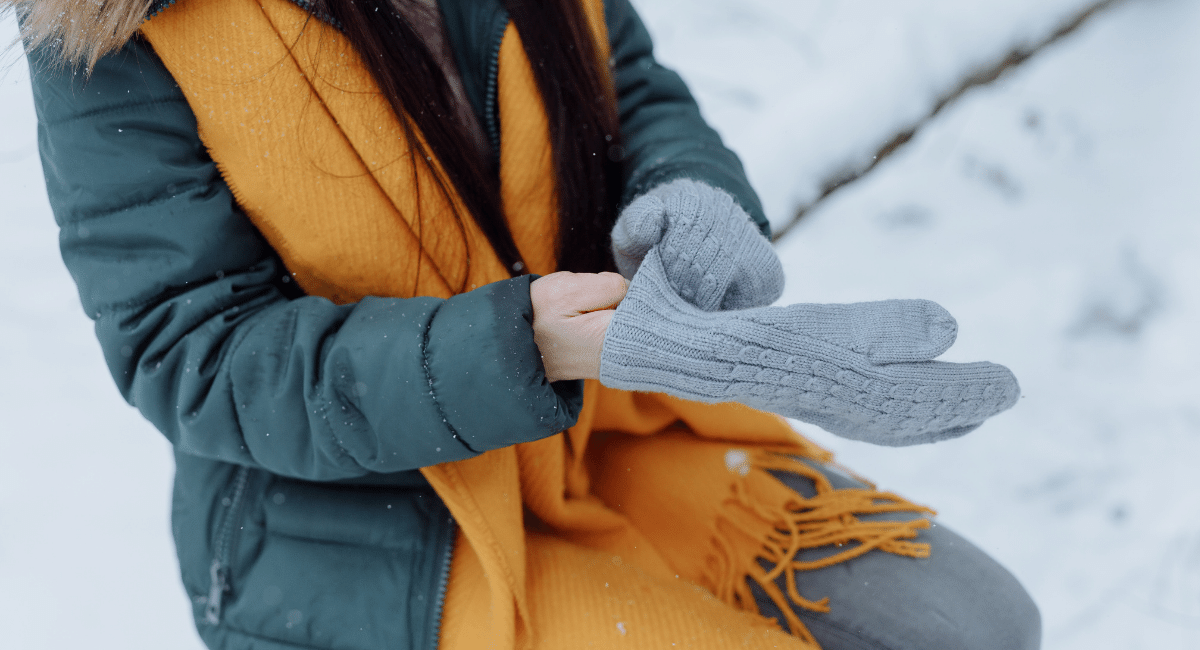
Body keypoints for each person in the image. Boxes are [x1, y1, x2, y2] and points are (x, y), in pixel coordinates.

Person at [13, 0, 1041, 648]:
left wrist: (684, 194)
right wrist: (517, 345)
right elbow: (192, 353)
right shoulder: (107, 28)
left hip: (613, 417)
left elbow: (628, 83)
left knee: (980, 625)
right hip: (368, 532)